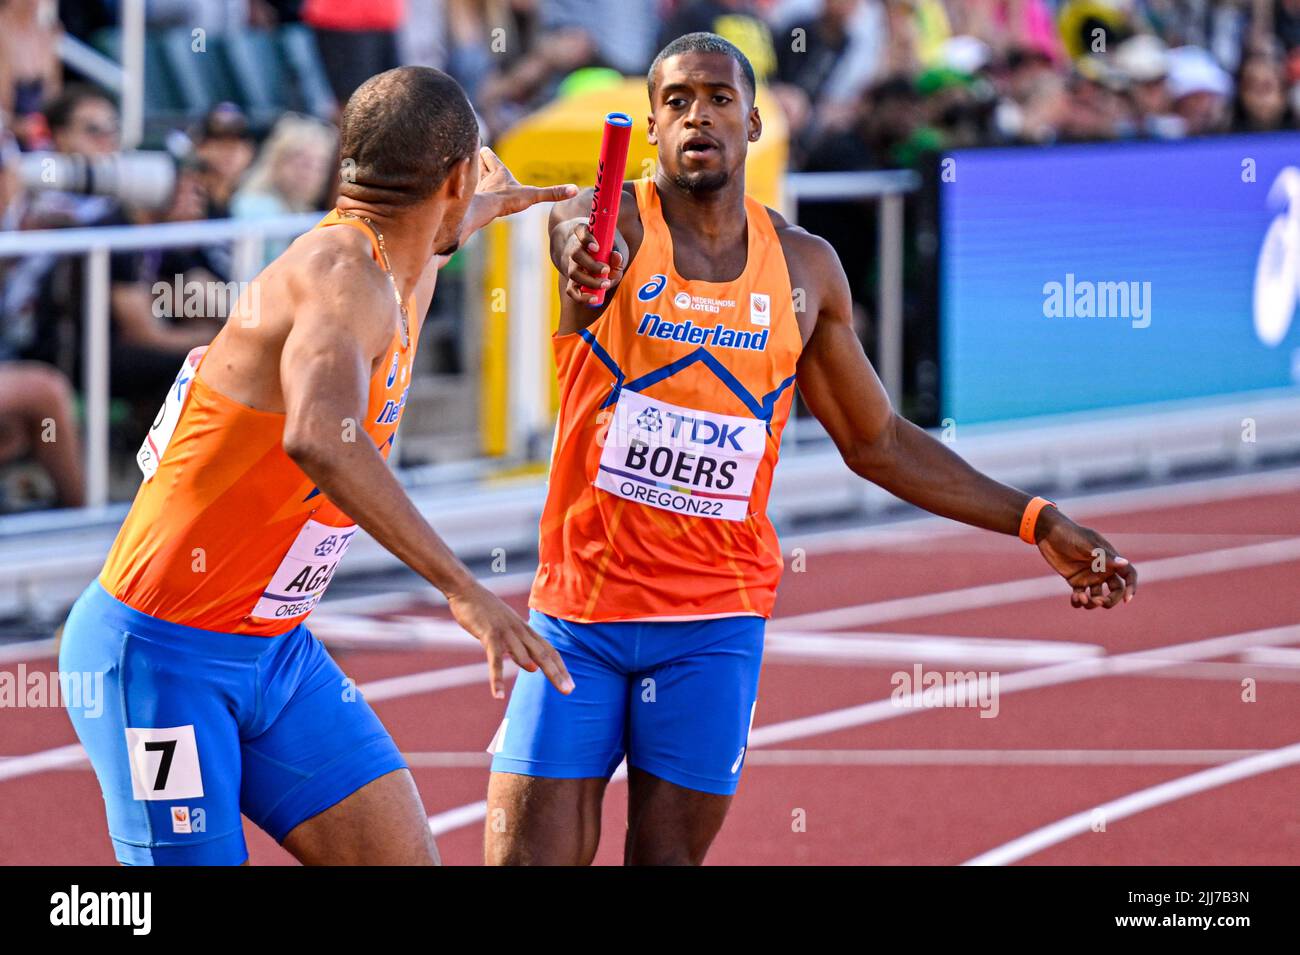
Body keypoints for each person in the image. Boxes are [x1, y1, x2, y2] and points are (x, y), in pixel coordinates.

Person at [484, 32, 1138, 866]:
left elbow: (881, 442)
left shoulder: (803, 268)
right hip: (578, 614)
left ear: (754, 123)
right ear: (651, 127)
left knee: (666, 859)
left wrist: (1037, 520)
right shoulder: (610, 226)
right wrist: (584, 258)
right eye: (677, 101)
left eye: (719, 98)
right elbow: (579, 238)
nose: (698, 115)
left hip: (712, 623)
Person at [59, 66, 575, 866]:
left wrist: (490, 203)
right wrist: (463, 588)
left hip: (276, 651)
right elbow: (321, 435)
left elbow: (438, 228)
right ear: (450, 176)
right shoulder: (338, 280)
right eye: (472, 179)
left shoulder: (406, 253)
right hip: (161, 661)